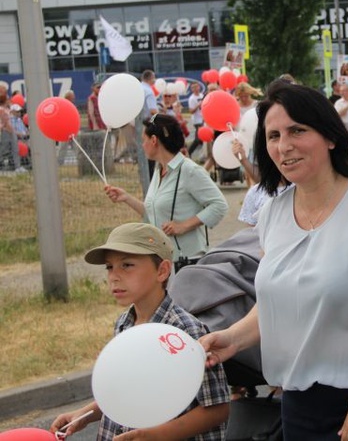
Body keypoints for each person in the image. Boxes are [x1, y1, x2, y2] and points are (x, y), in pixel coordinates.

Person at [199, 81, 348, 440]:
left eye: (297, 131)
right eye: (273, 136)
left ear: (331, 137)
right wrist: (233, 338)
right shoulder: (272, 213)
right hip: (298, 400)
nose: (283, 146)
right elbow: (280, 298)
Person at [50, 222, 230, 440]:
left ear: (162, 270)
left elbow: (217, 408)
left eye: (126, 265)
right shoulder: (124, 323)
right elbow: (127, 390)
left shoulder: (184, 331)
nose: (114, 276)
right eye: (109, 267)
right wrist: (85, 415)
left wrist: (155, 435)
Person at [104, 114, 229, 261]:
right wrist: (126, 198)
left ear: (154, 140)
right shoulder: (159, 171)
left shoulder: (189, 170)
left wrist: (184, 226)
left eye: (144, 140)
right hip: (165, 259)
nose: (142, 145)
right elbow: (153, 213)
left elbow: (219, 205)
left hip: (187, 261)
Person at [186, 82, 205, 159]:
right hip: (197, 120)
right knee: (198, 139)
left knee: (202, 139)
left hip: (203, 119)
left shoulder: (202, 95)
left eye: (196, 86)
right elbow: (191, 111)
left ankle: (202, 154)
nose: (195, 89)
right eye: (193, 87)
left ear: (199, 87)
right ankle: (189, 152)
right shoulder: (191, 98)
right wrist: (198, 105)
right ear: (191, 89)